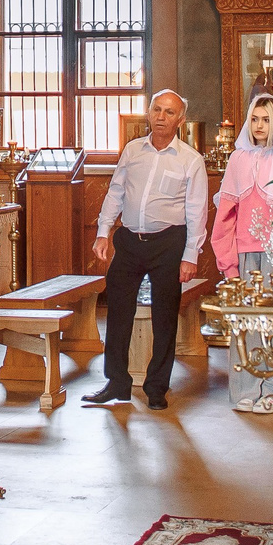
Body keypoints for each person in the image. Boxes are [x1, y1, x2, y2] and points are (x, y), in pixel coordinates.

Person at [84, 89, 208, 410]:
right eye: (157, 110)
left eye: (169, 113)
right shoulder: (132, 150)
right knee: (118, 311)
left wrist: (190, 256)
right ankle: (117, 382)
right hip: (129, 241)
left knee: (164, 316)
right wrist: (102, 232)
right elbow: (115, 191)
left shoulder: (190, 160)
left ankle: (156, 387)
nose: (161, 118)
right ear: (149, 113)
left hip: (169, 243)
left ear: (180, 120)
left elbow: (197, 211)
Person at [211, 92, 273, 413]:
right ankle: (246, 388)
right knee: (246, 323)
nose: (259, 125)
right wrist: (227, 261)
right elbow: (225, 216)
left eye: (266, 120)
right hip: (247, 255)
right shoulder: (238, 159)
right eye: (254, 119)